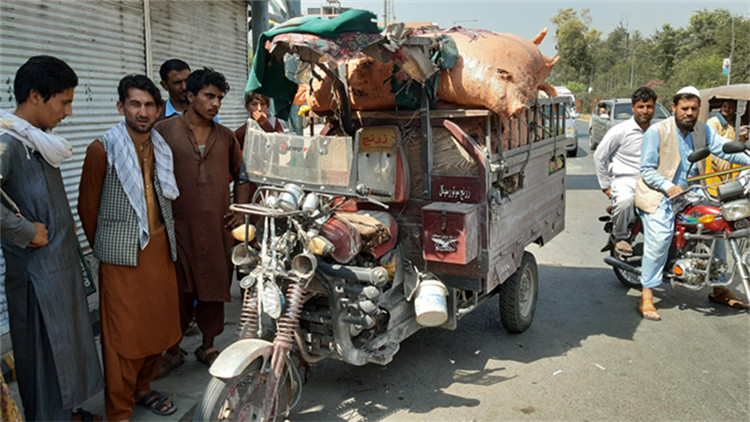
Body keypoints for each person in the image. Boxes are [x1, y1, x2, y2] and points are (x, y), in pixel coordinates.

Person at [0, 55, 104, 421]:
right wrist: (26, 232)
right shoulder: (8, 143)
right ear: (35, 96)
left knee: (67, 350)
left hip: (61, 269)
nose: (70, 112)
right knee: (44, 356)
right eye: (64, 101)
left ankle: (66, 412)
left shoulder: (38, 141)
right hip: (35, 277)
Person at [77, 74, 181, 420]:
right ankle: (118, 410)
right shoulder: (101, 149)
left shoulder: (160, 146)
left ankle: (142, 389)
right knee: (122, 336)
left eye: (150, 105)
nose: (142, 111)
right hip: (122, 258)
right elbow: (87, 208)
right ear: (121, 106)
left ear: (158, 109)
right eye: (135, 104)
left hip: (160, 249)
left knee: (158, 326)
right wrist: (109, 249)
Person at [155, 68, 250, 376]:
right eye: (209, 96)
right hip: (176, 229)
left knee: (215, 287)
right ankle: (172, 349)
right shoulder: (163, 132)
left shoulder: (225, 137)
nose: (216, 104)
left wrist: (241, 208)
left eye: (220, 98)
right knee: (176, 292)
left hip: (217, 228)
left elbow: (243, 176)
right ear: (191, 96)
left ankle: (208, 346)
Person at [634, 86, 750, 321]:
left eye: (694, 109)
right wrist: (668, 186)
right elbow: (646, 170)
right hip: (659, 193)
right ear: (674, 108)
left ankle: (718, 287)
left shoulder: (703, 130)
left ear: (699, 110)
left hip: (692, 192)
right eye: (684, 108)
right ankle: (647, 295)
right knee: (661, 236)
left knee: (719, 225)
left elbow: (726, 151)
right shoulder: (657, 131)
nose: (689, 113)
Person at [594, 87, 658, 256]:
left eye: (649, 107)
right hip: (625, 180)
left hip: (652, 181)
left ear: (654, 107)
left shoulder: (657, 131)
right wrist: (606, 186)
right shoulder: (620, 130)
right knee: (624, 202)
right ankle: (621, 236)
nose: (645, 111)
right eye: (641, 106)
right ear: (633, 108)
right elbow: (600, 156)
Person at [704, 99, 750, 191]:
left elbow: (741, 143)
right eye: (725, 106)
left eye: (730, 107)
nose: (727, 109)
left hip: (732, 159)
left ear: (735, 109)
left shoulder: (735, 123)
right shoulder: (713, 122)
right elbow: (712, 143)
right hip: (717, 159)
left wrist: (741, 134)